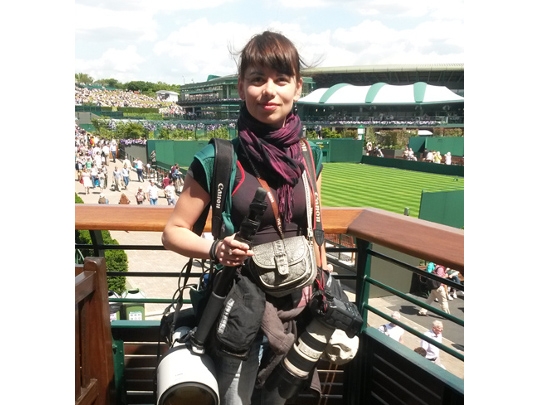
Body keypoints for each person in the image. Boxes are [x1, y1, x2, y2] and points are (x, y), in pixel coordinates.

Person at [161, 31, 332, 405]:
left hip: (298, 307)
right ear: (241, 87)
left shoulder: (310, 155)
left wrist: (324, 281)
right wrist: (216, 249)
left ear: (297, 87)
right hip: (238, 310)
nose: (269, 90)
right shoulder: (219, 158)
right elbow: (173, 232)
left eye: (281, 79)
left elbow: (314, 229)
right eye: (257, 79)